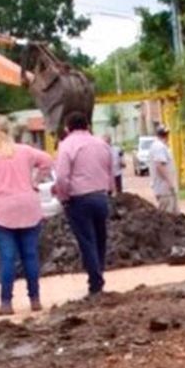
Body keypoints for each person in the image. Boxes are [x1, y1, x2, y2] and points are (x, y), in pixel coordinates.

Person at [0, 114, 52, 315]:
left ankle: (6, 302)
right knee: (30, 255)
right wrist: (35, 181)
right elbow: (47, 160)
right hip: (28, 208)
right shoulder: (25, 151)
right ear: (10, 132)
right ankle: (35, 299)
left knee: (7, 257)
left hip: (1, 213)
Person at [54, 111, 116, 297]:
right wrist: (109, 191)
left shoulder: (66, 146)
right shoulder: (102, 144)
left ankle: (95, 282)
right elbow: (110, 171)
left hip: (79, 199)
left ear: (67, 128)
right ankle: (99, 274)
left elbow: (62, 177)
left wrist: (63, 197)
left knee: (87, 241)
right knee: (100, 239)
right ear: (88, 126)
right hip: (101, 196)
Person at [148, 125, 178, 213]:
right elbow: (160, 165)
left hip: (165, 188)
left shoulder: (160, 146)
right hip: (165, 188)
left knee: (173, 215)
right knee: (167, 215)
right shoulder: (159, 147)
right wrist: (170, 182)